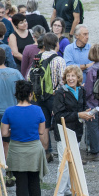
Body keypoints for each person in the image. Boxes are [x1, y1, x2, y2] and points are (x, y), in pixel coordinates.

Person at [0, 80, 47, 196]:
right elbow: (41, 131)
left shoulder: (9, 111)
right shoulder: (38, 110)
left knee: (21, 185)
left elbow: (4, 132)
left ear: (17, 95)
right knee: (34, 183)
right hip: (33, 149)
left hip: (17, 149)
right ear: (30, 94)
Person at [52, 66, 94, 196]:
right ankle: (58, 194)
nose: (70, 78)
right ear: (65, 78)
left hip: (76, 131)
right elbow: (58, 116)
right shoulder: (60, 93)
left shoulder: (81, 90)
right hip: (63, 132)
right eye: (68, 76)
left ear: (78, 78)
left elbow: (80, 109)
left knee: (73, 162)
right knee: (63, 164)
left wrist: (86, 113)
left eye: (73, 76)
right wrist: (78, 115)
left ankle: (68, 190)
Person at [34, 33, 66, 161]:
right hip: (55, 96)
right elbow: (63, 81)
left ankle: (45, 154)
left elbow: (30, 77)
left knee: (44, 125)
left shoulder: (38, 57)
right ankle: (61, 152)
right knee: (59, 124)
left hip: (40, 96)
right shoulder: (59, 60)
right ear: (57, 44)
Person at [83, 43, 99, 161]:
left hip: (92, 103)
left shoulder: (91, 70)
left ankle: (95, 152)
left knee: (93, 128)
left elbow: (88, 90)